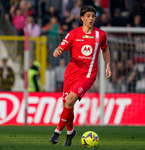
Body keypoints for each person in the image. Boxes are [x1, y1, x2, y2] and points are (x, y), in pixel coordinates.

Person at [49, 6, 111, 146]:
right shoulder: (73, 34)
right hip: (71, 73)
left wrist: (107, 65)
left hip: (88, 74)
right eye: (88, 16)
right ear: (82, 18)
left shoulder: (100, 35)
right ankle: (71, 132)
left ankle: (57, 132)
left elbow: (105, 49)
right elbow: (61, 46)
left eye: (93, 16)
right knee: (67, 104)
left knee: (70, 100)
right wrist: (58, 50)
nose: (91, 18)